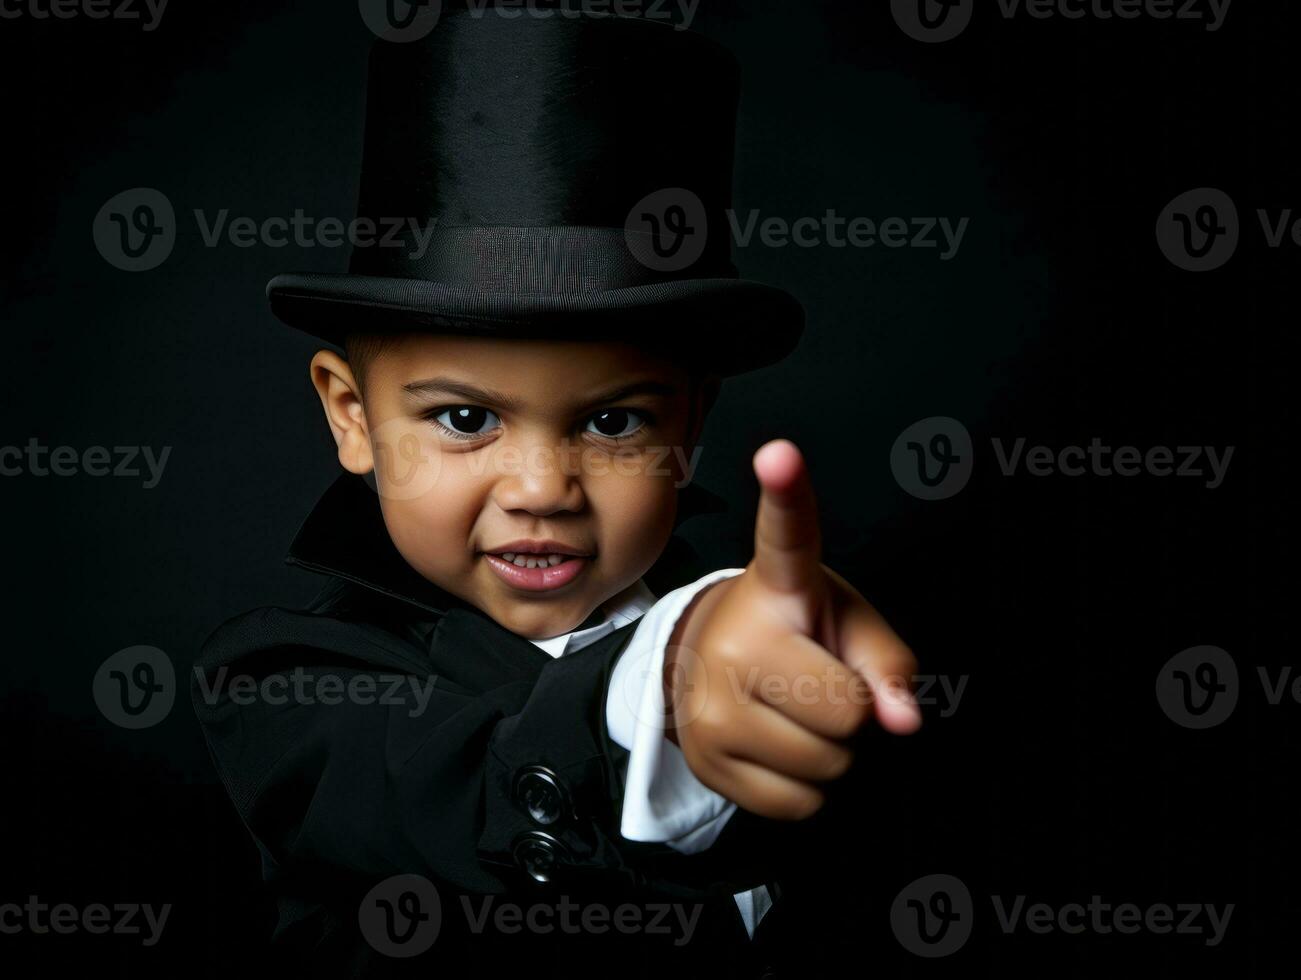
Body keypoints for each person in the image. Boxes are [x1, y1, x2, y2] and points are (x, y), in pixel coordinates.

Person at [192, 6, 920, 976]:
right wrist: (667, 676)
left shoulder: (773, 636)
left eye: (612, 421)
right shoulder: (281, 686)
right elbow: (458, 782)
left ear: (689, 426)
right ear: (351, 416)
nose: (541, 488)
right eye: (463, 418)